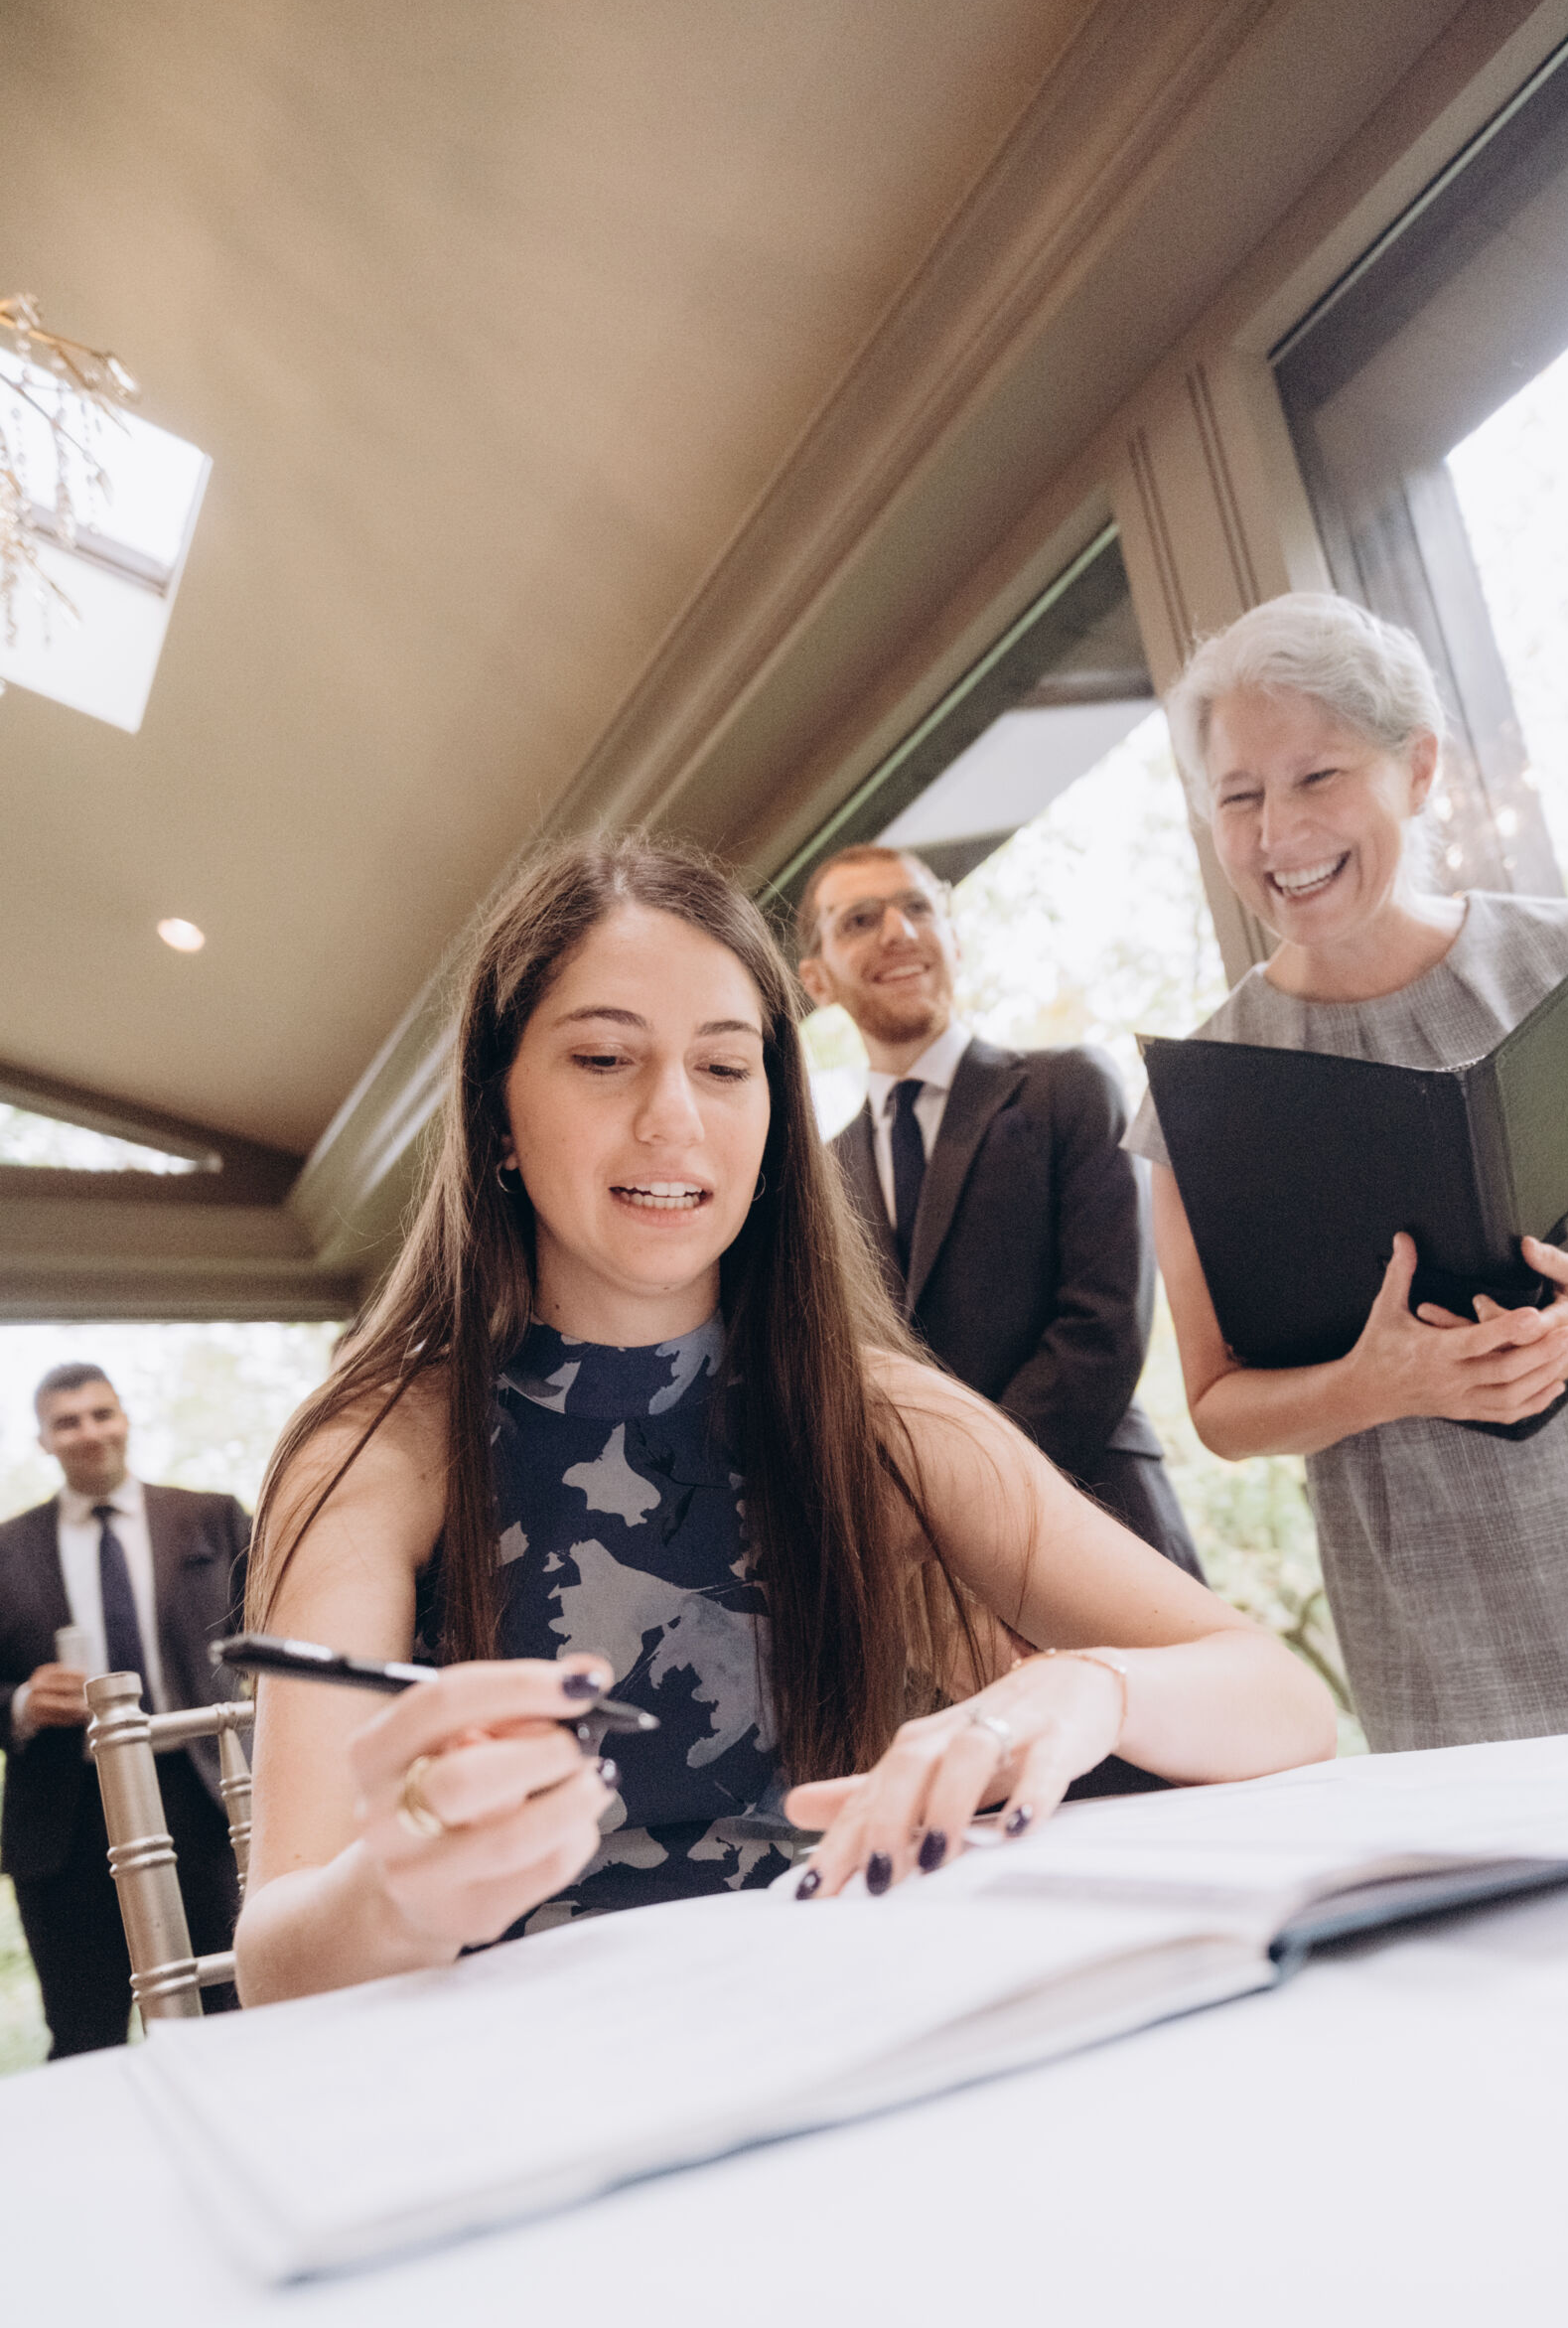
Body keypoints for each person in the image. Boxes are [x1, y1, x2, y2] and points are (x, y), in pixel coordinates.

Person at [233, 838, 1334, 2003]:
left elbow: (1283, 1700)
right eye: (603, 1059)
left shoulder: (878, 1414)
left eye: (724, 1066)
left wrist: (1093, 1689)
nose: (674, 1118)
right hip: (510, 2061)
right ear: (495, 1113)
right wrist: (394, 1896)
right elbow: (276, 1964)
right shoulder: (381, 1448)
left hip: (837, 2025)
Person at [1126, 590, 1568, 1752]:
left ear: (1418, 768)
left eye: (1316, 777)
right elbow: (1219, 1407)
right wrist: (1383, 1384)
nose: (1276, 833)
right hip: (1441, 1642)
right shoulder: (1202, 1092)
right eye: (1238, 796)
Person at [796, 843, 1201, 1575]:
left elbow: (1103, 1325)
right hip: (927, 1576)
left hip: (1097, 1515)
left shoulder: (1070, 1087)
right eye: (859, 920)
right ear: (817, 979)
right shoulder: (817, 1180)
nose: (898, 931)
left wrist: (961, 1504)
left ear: (954, 938)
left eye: (918, 907)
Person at [0, 1365, 250, 2055]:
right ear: (43, 1439)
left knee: (233, 2018)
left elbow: (277, 1631)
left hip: (207, 1801)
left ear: (125, 1419)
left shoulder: (215, 1518)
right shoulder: (6, 1549)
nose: (89, 1433)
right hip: (67, 1816)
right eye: (67, 1422)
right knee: (85, 2036)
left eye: (101, 1414)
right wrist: (21, 1701)